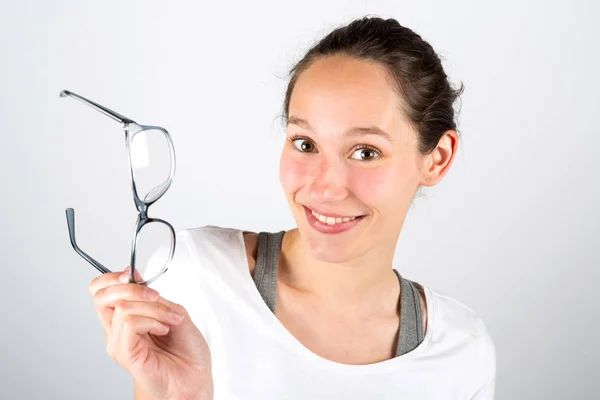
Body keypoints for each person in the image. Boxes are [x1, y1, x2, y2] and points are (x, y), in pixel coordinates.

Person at [89, 16, 496, 399]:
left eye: (366, 152)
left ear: (437, 158)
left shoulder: (460, 350)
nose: (324, 186)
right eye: (305, 144)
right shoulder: (195, 280)